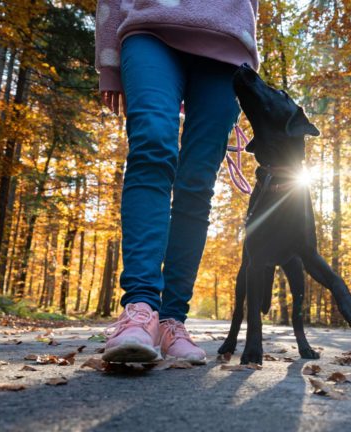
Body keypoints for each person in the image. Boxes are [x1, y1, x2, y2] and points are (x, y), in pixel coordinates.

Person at [94, 0, 259, 364]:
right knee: (152, 146)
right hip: (149, 27)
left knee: (198, 181)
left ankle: (172, 321)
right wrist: (108, 62)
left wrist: (248, 45)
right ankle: (140, 310)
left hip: (228, 43)